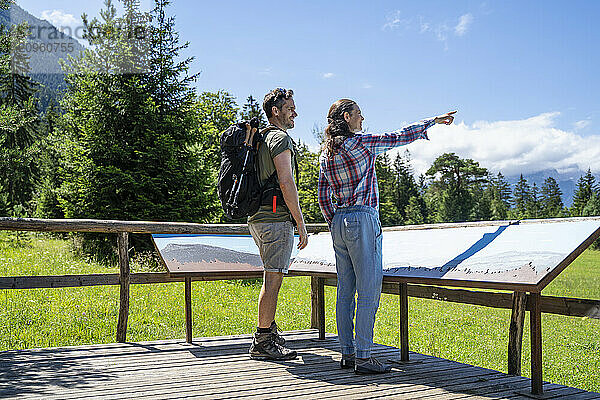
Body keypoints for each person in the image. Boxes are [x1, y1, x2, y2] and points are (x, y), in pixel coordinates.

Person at [318, 99, 456, 374]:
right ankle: (365, 357)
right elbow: (399, 136)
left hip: (339, 222)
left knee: (345, 291)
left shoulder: (325, 154)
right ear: (346, 117)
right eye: (358, 114)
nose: (362, 118)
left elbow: (323, 196)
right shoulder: (361, 143)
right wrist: (433, 121)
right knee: (368, 290)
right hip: (363, 218)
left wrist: (336, 222)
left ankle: (347, 353)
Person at [248, 88, 309, 360]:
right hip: (275, 219)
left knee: (270, 276)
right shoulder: (279, 139)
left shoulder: (260, 138)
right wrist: (300, 221)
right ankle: (262, 341)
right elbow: (286, 181)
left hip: (257, 217)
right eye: (290, 108)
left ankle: (269, 332)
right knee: (272, 280)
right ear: (276, 111)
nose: (295, 112)